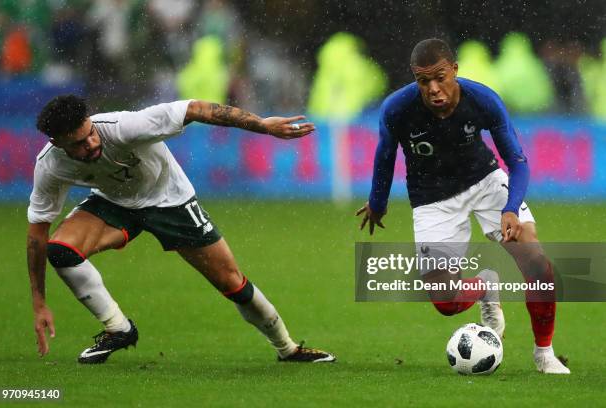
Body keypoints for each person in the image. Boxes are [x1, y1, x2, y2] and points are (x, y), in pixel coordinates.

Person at [28, 95, 336, 364]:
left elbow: (196, 109)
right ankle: (118, 328)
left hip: (170, 200)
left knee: (232, 283)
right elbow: (36, 236)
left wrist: (263, 126)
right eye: (78, 144)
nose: (91, 144)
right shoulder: (50, 165)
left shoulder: (124, 127)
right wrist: (39, 302)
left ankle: (288, 348)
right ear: (56, 143)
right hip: (114, 204)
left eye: (90, 134)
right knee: (60, 250)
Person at [356, 39, 569, 374]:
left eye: (440, 77)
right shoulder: (397, 108)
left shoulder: (482, 100)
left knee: (537, 264)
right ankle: (485, 285)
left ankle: (544, 353)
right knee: (447, 302)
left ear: (454, 69)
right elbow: (384, 158)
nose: (433, 88)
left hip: (485, 182)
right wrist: (378, 203)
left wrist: (511, 208)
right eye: (423, 81)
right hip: (432, 199)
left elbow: (518, 161)